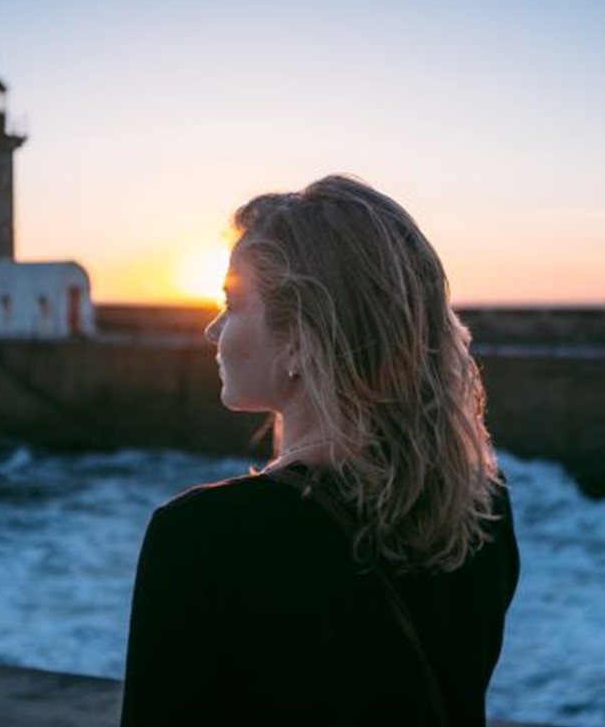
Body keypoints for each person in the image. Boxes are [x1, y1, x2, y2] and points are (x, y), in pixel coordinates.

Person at [120, 175, 519, 726]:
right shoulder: (481, 511)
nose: (214, 330)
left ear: (301, 338)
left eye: (233, 303)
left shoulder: (199, 537)